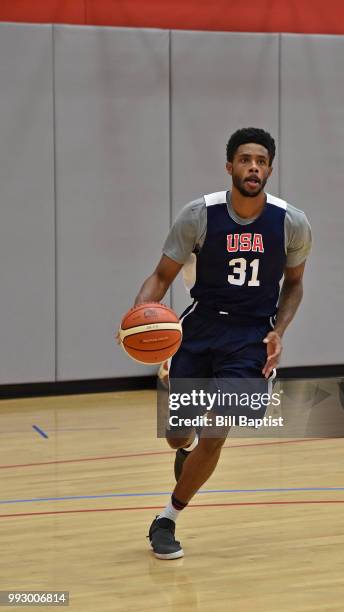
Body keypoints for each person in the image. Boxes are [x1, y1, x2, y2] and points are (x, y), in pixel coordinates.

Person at [132, 127, 312, 559]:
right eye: (246, 160)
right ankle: (186, 449)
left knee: (217, 430)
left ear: (270, 169)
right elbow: (161, 276)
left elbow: (294, 286)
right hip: (201, 328)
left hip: (250, 336)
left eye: (262, 161)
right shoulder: (200, 214)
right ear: (230, 166)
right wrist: (138, 318)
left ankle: (166, 519)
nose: (254, 167)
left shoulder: (292, 222)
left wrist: (278, 331)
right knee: (178, 435)